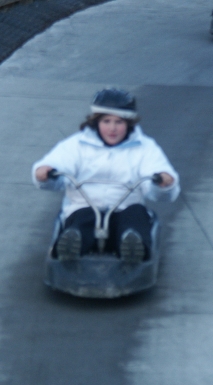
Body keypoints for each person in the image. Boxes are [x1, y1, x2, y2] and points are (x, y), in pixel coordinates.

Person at [31, 88, 180, 263]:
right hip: (84, 205)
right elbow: (60, 163)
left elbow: (155, 170)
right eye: (106, 121)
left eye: (119, 122)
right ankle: (72, 245)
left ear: (129, 123)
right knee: (82, 219)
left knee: (135, 215)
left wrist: (163, 181)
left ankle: (133, 247)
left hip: (124, 207)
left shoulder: (144, 147)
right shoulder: (77, 144)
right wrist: (46, 172)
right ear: (96, 122)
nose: (112, 128)